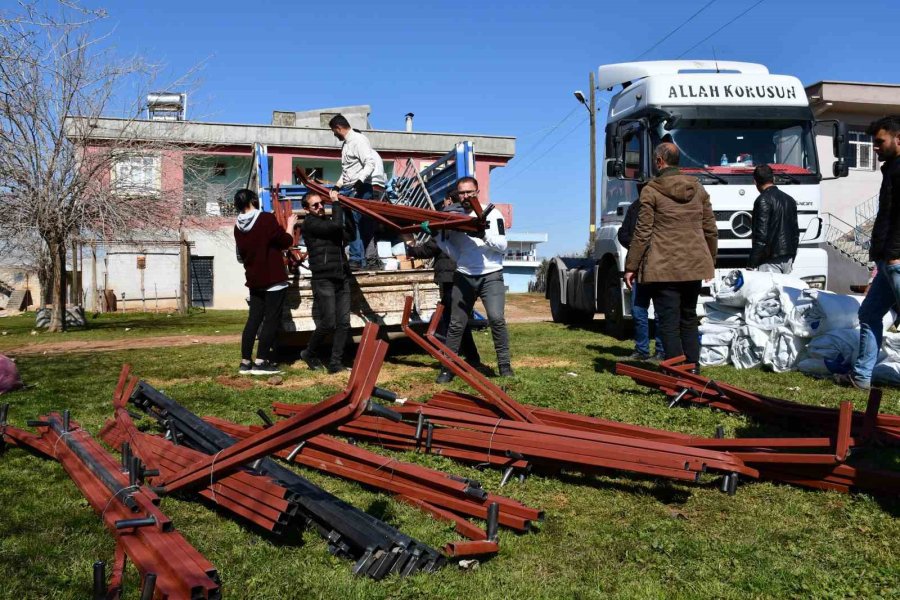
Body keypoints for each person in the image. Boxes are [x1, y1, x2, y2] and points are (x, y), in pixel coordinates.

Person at [623, 143, 717, 371]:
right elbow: (710, 228)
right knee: (688, 318)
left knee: (668, 322)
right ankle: (693, 368)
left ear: (659, 162)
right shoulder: (698, 188)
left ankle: (677, 373)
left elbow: (643, 231)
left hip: (663, 266)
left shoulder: (651, 190)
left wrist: (631, 265)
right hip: (693, 264)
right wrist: (710, 261)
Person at [835, 116, 900, 390]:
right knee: (869, 315)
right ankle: (861, 377)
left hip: (896, 259)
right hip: (886, 260)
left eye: (879, 142)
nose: (875, 148)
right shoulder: (892, 169)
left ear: (899, 139)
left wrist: (895, 255)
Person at [435, 176, 512, 382]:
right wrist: (435, 236)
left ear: (477, 192)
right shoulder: (454, 219)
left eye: (470, 192)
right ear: (457, 195)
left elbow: (503, 246)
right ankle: (448, 368)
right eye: (462, 193)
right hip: (464, 275)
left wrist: (483, 234)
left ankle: (505, 367)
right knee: (456, 324)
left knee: (496, 319)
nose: (466, 196)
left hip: (491, 274)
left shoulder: (492, 214)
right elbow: (452, 249)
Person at [404, 191, 483, 378]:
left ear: (449, 201)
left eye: (444, 201)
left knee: (452, 320)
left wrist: (411, 249)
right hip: (460, 273)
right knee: (458, 319)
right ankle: (472, 358)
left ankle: (452, 362)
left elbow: (431, 248)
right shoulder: (461, 219)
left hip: (449, 275)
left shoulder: (446, 220)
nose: (441, 205)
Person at [233, 188, 297, 375]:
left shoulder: (237, 226)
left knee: (253, 319)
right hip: (273, 277)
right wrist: (290, 225)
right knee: (271, 320)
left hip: (254, 278)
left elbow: (241, 254)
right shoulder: (266, 219)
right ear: (253, 200)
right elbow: (285, 241)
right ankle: (261, 362)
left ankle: (245, 362)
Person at [299, 191, 357, 374]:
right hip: (324, 278)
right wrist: (337, 203)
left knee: (343, 323)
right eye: (315, 205)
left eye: (322, 203)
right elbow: (334, 228)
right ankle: (309, 352)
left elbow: (350, 235)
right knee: (329, 321)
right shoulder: (310, 224)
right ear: (307, 209)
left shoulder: (329, 222)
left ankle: (335, 364)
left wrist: (347, 210)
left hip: (342, 277)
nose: (321, 207)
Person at [328, 114, 386, 271]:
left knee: (360, 224)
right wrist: (338, 186)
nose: (334, 134)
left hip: (360, 188)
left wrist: (360, 182)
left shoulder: (359, 140)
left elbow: (370, 163)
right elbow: (347, 170)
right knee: (351, 225)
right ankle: (358, 260)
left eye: (334, 131)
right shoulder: (346, 145)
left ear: (339, 128)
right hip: (348, 188)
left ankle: (363, 260)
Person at [618, 197, 664, 361]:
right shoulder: (635, 207)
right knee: (638, 311)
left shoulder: (663, 205)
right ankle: (641, 349)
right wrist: (636, 245)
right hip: (638, 268)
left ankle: (661, 351)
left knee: (660, 312)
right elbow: (622, 233)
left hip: (659, 268)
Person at [749, 164, 800, 273]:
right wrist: (792, 256)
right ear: (773, 178)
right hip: (788, 257)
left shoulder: (762, 200)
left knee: (768, 290)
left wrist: (751, 263)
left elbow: (761, 236)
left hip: (770, 260)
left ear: (755, 182)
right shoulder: (790, 200)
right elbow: (795, 232)